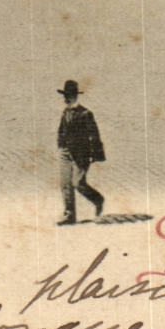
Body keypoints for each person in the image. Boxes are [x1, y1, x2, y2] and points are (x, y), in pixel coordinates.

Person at [55, 79, 105, 225]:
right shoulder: (66, 112)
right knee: (65, 183)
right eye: (65, 95)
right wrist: (61, 144)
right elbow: (62, 129)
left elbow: (94, 134)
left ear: (74, 95)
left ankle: (97, 199)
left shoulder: (85, 113)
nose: (65, 98)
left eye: (68, 95)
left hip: (81, 153)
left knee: (78, 183)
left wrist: (96, 154)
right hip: (65, 152)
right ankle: (69, 215)